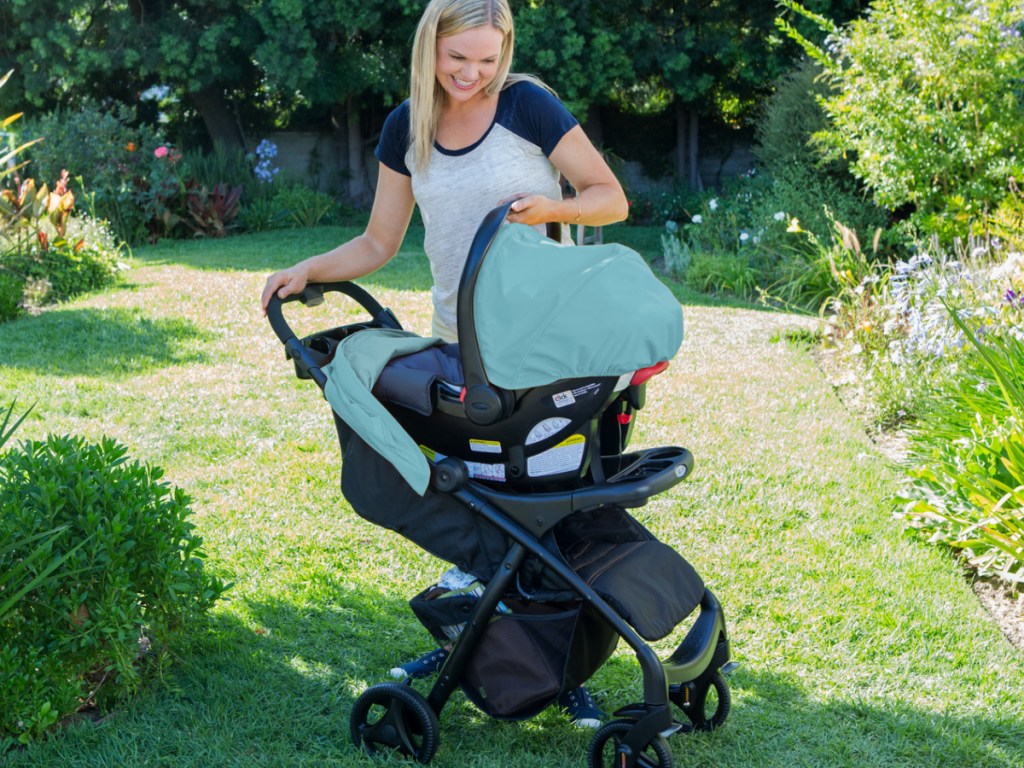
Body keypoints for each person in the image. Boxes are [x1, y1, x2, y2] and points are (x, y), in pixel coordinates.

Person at [260, 0, 628, 728]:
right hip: (461, 344)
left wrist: (541, 210)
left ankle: (560, 660)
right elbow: (377, 243)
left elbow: (609, 198)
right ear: (430, 49)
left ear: (506, 52)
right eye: (458, 59)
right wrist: (307, 270)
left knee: (544, 491)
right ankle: (492, 640)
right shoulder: (407, 127)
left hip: (547, 341)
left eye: (488, 59)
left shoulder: (529, 106)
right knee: (489, 496)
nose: (473, 74)